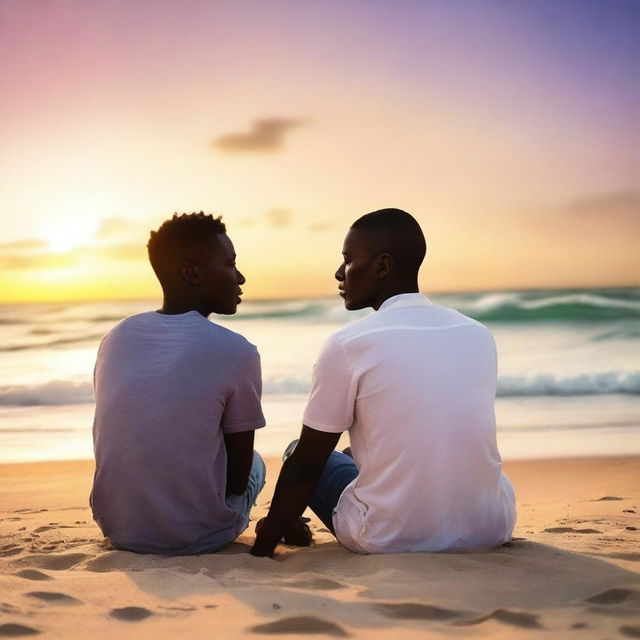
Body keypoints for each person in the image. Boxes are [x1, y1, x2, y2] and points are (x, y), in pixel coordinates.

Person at [251, 208, 516, 556]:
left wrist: (265, 542)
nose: (338, 272)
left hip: (388, 536)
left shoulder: (349, 345)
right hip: (489, 526)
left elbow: (306, 465)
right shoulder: (477, 333)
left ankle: (287, 522)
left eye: (347, 260)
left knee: (296, 453)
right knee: (355, 454)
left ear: (382, 266)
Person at [90, 212, 267, 554]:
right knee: (257, 461)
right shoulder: (237, 351)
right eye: (230, 264)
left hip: (118, 529)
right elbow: (238, 474)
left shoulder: (116, 337)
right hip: (200, 536)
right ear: (192, 273)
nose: (241, 277)